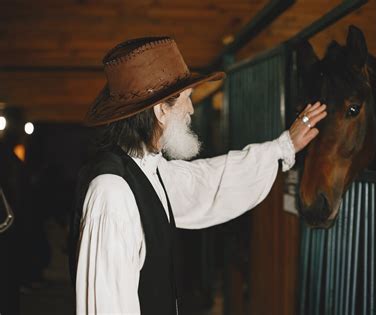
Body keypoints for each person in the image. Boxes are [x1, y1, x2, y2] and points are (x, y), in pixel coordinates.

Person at [69, 36, 327, 315]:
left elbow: (206, 181)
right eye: (187, 99)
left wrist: (283, 146)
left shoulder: (148, 170)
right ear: (160, 110)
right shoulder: (112, 193)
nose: (192, 110)